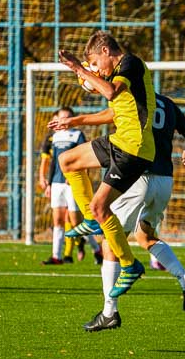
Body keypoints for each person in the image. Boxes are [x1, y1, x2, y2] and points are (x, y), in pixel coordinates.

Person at [52, 94, 185, 331]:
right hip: (164, 181)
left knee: (109, 243)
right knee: (146, 237)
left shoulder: (131, 98)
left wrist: (78, 117)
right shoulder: (168, 104)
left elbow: (111, 119)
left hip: (137, 176)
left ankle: (109, 311)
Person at [55, 30, 156, 297]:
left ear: (105, 52)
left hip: (133, 149)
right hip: (120, 140)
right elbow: (113, 112)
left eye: (97, 64)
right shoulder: (120, 76)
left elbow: (110, 93)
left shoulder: (130, 64)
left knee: (101, 206)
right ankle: (90, 219)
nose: (98, 70)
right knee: (67, 160)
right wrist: (73, 121)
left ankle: (129, 265)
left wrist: (79, 68)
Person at [38, 107, 102, 265]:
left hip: (71, 182)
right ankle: (56, 256)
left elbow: (84, 157)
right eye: (61, 117)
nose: (63, 120)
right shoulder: (55, 136)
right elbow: (53, 162)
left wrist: (78, 176)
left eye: (67, 117)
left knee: (77, 222)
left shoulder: (77, 134)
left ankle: (96, 249)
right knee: (57, 220)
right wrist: (49, 183)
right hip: (57, 183)